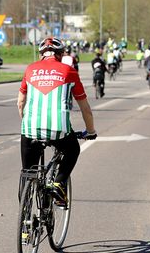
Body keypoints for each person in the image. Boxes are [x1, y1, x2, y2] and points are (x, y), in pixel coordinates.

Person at [17, 37, 97, 205]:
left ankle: (25, 220)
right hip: (58, 129)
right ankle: (59, 183)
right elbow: (85, 109)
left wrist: (28, 124)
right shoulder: (69, 71)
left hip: (29, 129)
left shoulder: (30, 69)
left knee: (27, 171)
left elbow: (20, 103)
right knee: (73, 149)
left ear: (41, 55)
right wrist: (91, 132)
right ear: (61, 55)